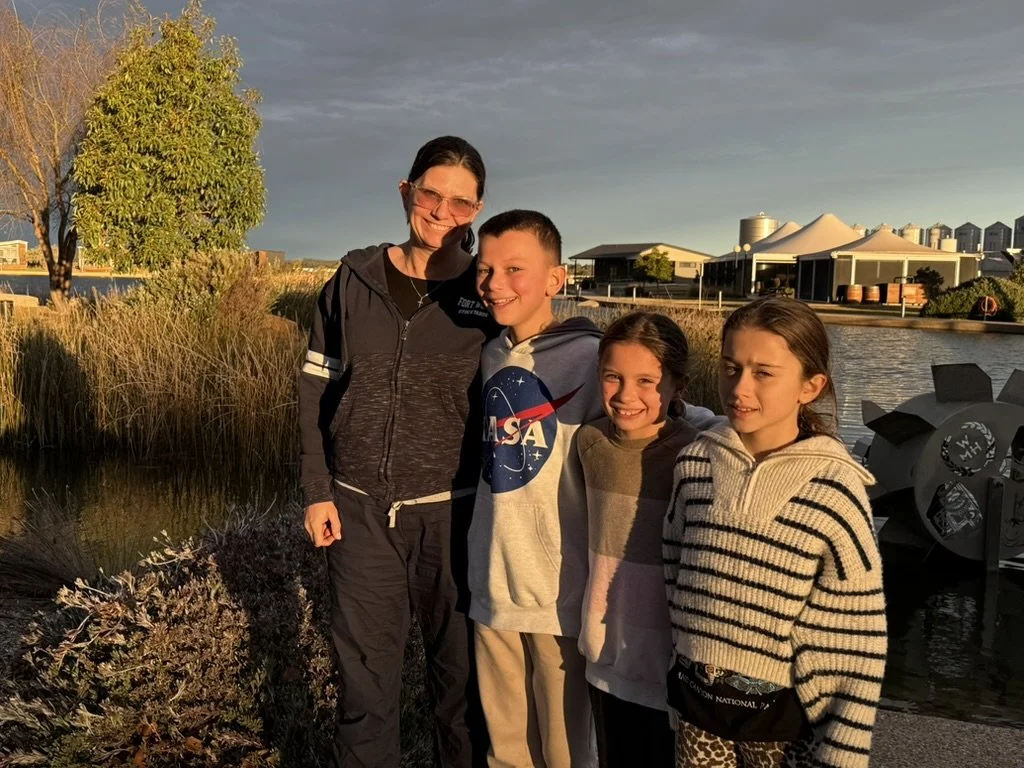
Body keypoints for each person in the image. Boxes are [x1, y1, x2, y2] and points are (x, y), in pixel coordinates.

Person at [299, 136, 496, 768]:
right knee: (365, 694)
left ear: (477, 210)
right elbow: (315, 389)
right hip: (358, 513)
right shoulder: (351, 281)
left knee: (462, 695)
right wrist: (317, 490)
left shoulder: (486, 294)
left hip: (454, 518)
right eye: (431, 194)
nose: (442, 212)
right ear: (406, 190)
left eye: (461, 204)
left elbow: (542, 363)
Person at [663, 297, 887, 768]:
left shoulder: (834, 489)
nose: (739, 388)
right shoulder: (695, 464)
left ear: (811, 386)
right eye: (730, 368)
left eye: (763, 373)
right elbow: (675, 573)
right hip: (697, 710)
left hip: (783, 725)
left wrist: (843, 749)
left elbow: (856, 637)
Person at [468, 209, 603, 767]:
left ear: (555, 279)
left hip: (556, 596)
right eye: (485, 268)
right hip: (491, 584)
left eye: (514, 269)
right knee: (506, 752)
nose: (494, 283)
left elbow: (663, 414)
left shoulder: (594, 358)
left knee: (567, 753)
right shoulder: (490, 353)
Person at [576, 311, 714, 768]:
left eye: (647, 382)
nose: (626, 395)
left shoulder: (695, 455)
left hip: (668, 666)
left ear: (678, 386)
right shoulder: (589, 443)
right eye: (612, 377)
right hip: (604, 654)